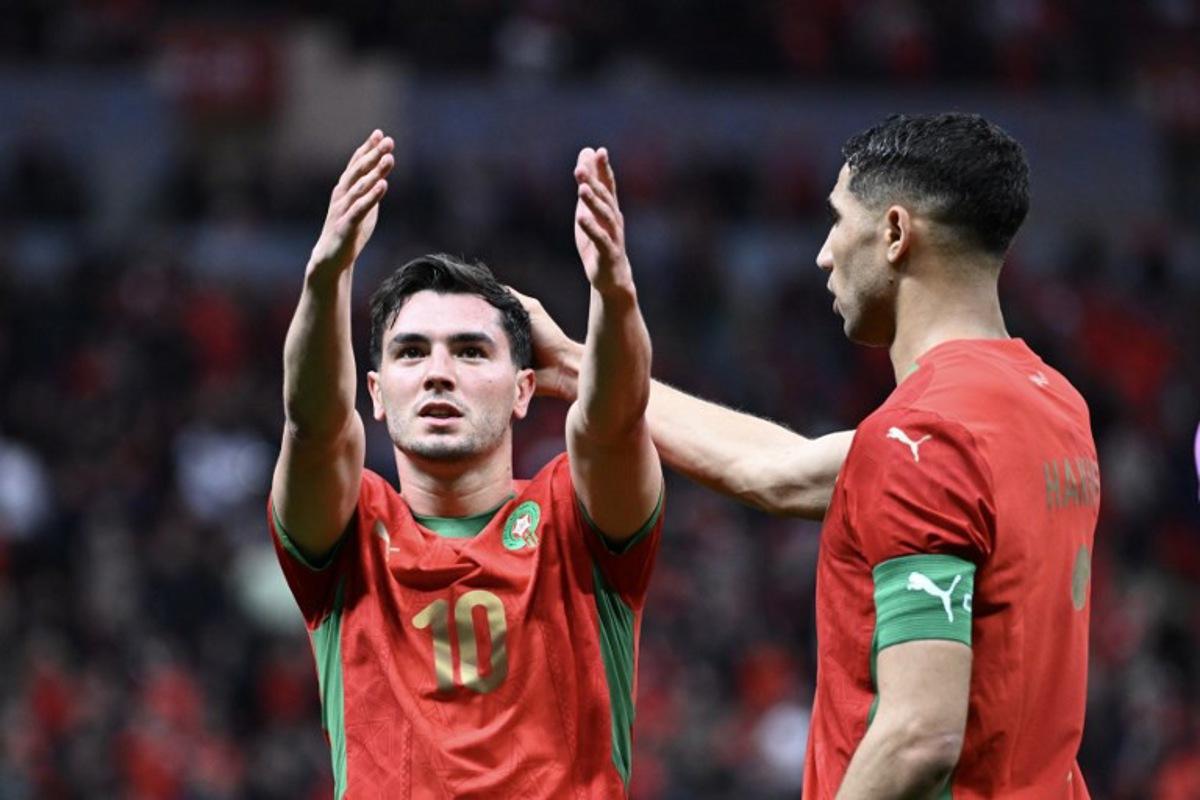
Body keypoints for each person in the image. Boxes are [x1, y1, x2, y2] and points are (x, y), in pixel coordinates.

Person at [524, 113, 1099, 798]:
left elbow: (919, 739)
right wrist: (572, 365)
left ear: (893, 233)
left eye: (836, 221)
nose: (824, 254)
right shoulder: (1050, 405)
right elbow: (777, 471)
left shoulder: (922, 440)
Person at [268, 130, 663, 798]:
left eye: (472, 352)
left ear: (523, 390)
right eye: (412, 352)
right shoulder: (350, 531)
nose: (438, 374)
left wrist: (615, 296)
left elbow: (615, 422)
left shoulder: (574, 516)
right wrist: (327, 275)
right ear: (377, 396)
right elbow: (314, 427)